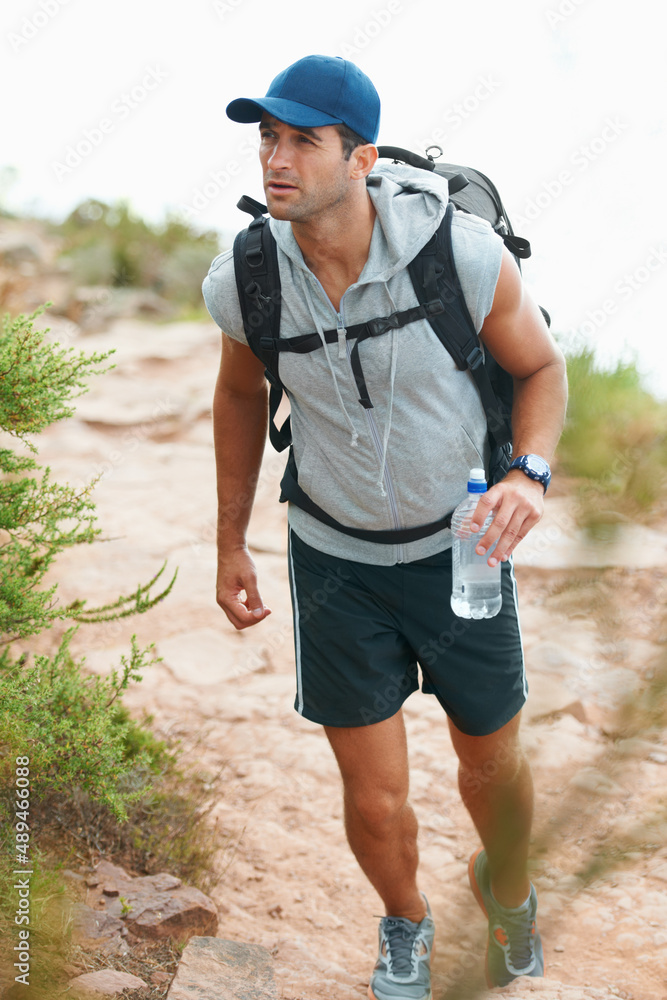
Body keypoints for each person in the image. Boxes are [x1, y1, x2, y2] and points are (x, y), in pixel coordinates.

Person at [202, 53, 568, 1000]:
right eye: (266, 140)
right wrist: (229, 539)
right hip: (336, 561)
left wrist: (526, 473)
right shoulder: (247, 277)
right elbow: (240, 394)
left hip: (461, 553)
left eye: (301, 141)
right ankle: (405, 922)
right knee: (372, 794)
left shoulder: (457, 253)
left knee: (490, 765)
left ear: (359, 157)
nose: (275, 160)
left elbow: (541, 368)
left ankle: (511, 891)